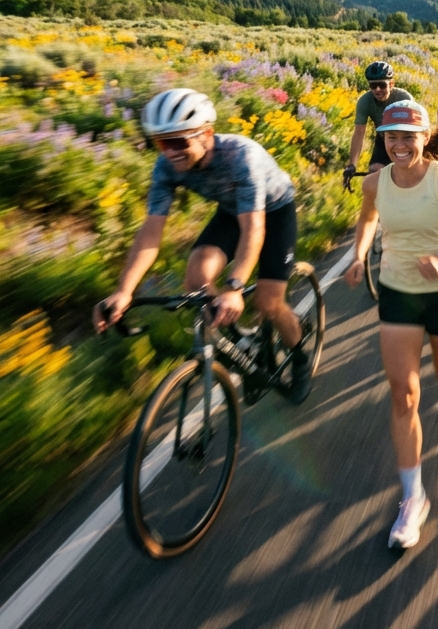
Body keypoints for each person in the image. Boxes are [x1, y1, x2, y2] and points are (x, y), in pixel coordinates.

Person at [93, 88, 314, 402]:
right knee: (196, 280)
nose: (170, 152)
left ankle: (300, 359)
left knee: (268, 303)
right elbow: (151, 231)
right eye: (162, 143)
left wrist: (235, 287)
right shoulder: (166, 167)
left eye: (178, 142)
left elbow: (254, 228)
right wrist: (124, 290)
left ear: (206, 134)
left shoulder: (240, 156)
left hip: (275, 211)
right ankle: (241, 345)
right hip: (231, 211)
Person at [343, 100, 438, 549]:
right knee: (404, 394)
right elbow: (368, 219)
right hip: (398, 293)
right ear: (383, 140)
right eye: (392, 137)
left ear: (425, 138)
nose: (400, 145)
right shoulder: (375, 183)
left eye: (409, 137)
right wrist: (359, 255)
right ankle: (413, 497)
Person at [344, 62, 414, 177]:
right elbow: (359, 133)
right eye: (373, 86)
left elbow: (414, 131)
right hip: (384, 137)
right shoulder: (365, 101)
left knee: (405, 172)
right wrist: (352, 165)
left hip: (407, 137)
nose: (377, 90)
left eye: (382, 85)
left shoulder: (404, 99)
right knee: (375, 172)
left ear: (391, 84)